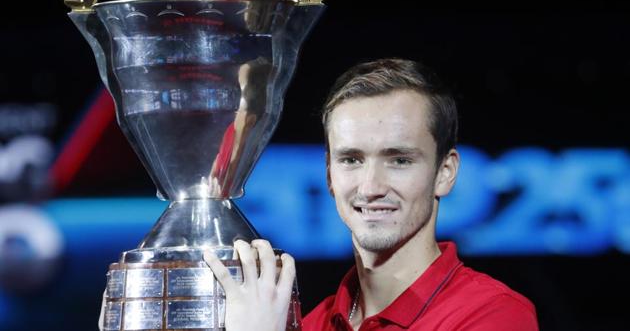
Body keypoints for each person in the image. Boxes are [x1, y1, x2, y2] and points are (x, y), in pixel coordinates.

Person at [204, 58, 539, 330]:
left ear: (445, 173)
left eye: (399, 160)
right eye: (351, 159)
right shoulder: (312, 324)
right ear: (329, 175)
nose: (371, 188)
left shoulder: (493, 315)